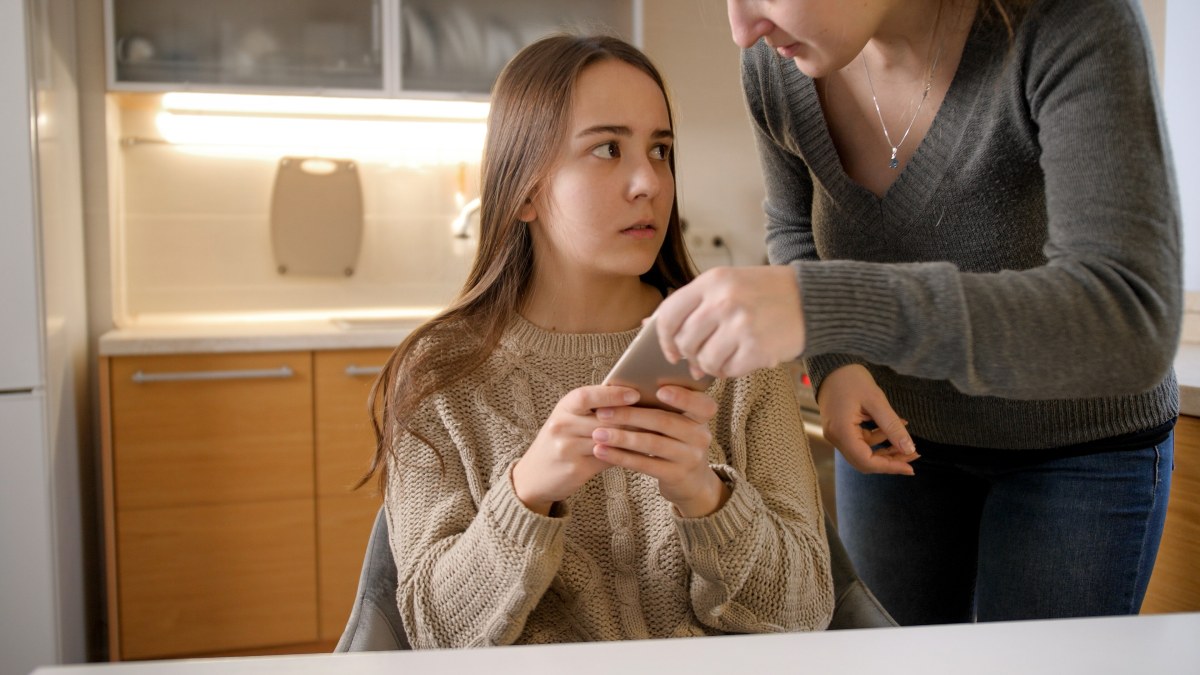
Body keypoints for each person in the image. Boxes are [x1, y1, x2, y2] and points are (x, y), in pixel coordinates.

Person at [652, 0, 1181, 625]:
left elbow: (1129, 317)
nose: (743, 30)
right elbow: (793, 223)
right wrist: (836, 361)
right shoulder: (776, 65)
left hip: (1077, 451)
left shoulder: (1071, 21)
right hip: (897, 445)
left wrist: (820, 306)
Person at [363, 34, 834, 648]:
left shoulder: (735, 350)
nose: (649, 182)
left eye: (661, 150)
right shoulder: (440, 375)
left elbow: (808, 611)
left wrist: (705, 495)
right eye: (608, 149)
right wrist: (529, 489)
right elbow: (433, 636)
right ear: (526, 190)